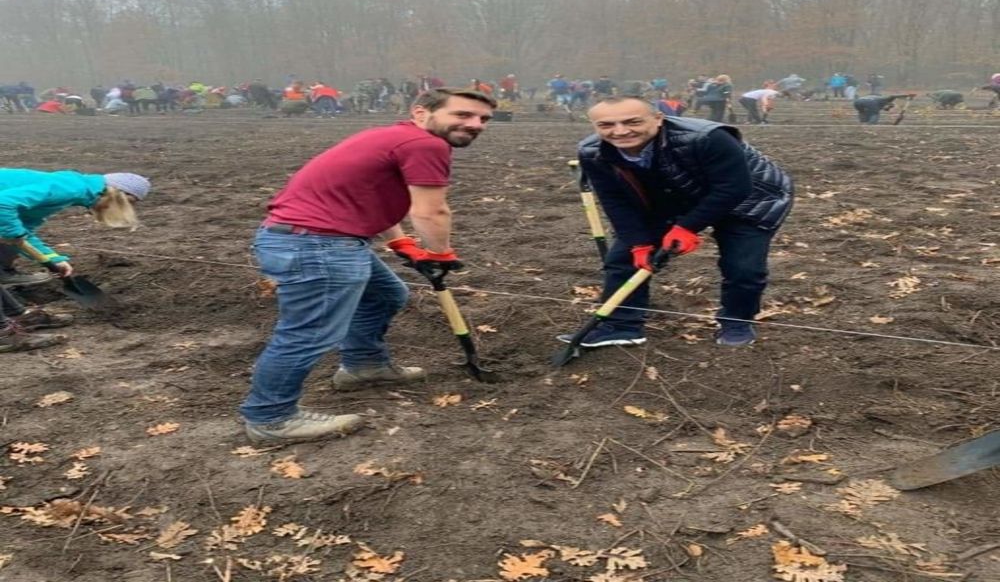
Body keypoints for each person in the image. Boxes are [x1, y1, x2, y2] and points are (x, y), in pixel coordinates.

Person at [240, 87, 496, 443]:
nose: (475, 124)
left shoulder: (394, 137)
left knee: (386, 294)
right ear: (421, 112)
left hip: (312, 239)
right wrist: (440, 254)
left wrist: (400, 242)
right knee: (308, 332)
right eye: (462, 115)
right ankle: (270, 418)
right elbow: (431, 210)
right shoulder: (426, 144)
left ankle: (364, 366)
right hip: (317, 243)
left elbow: (370, 194)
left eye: (483, 119)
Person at [559, 96, 793, 347]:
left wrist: (686, 227)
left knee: (743, 266)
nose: (620, 131)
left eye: (632, 122)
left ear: (659, 119)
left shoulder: (708, 137)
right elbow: (616, 200)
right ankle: (622, 326)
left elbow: (734, 188)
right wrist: (638, 243)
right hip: (673, 195)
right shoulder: (592, 152)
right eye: (606, 125)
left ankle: (736, 322)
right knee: (623, 258)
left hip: (751, 198)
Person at [0, 169, 150, 287]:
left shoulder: (71, 190)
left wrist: (54, 259)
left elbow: (24, 230)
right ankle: (5, 276)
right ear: (117, 195)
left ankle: (5, 277)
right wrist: (14, 234)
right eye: (127, 203)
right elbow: (3, 203)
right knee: (10, 231)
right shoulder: (69, 188)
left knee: (11, 230)